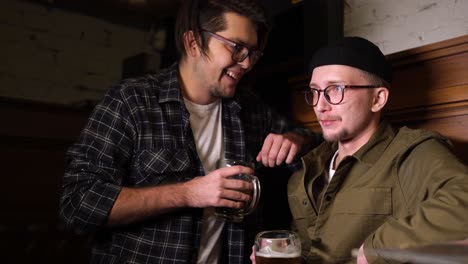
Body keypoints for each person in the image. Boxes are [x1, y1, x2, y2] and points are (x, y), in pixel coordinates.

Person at [59, 0, 320, 263]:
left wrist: (293, 139)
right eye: (237, 47)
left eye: (252, 53)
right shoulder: (131, 100)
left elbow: (313, 142)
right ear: (193, 42)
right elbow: (79, 203)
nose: (246, 63)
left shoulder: (251, 109)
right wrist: (189, 193)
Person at [282, 37, 468, 263]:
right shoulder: (305, 171)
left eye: (336, 89)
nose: (320, 105)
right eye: (315, 92)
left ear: (378, 99)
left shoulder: (410, 154)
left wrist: (378, 250)